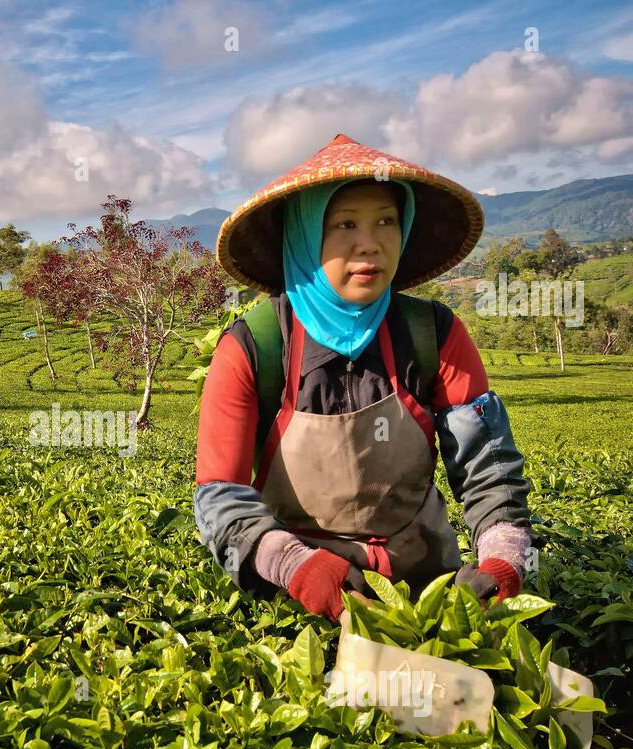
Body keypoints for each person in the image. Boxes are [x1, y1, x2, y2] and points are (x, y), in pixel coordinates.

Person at [196, 133, 537, 622]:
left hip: (424, 593)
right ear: (305, 234)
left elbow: (487, 469)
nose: (370, 243)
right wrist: (296, 566)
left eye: (386, 221)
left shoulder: (433, 335)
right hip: (296, 601)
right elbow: (219, 495)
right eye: (344, 224)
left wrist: (503, 558)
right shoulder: (255, 347)